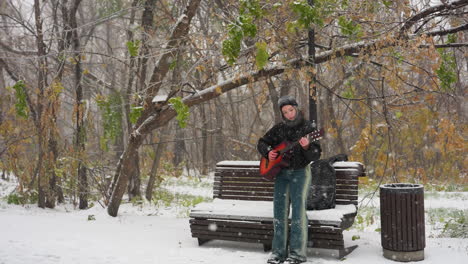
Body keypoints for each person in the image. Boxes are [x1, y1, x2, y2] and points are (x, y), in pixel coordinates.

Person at [257, 95, 321, 264]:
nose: (289, 114)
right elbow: (262, 142)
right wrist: (268, 152)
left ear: (296, 108)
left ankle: (297, 254)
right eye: (285, 112)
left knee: (298, 213)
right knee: (279, 212)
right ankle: (278, 253)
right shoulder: (279, 129)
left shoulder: (308, 127)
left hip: (300, 173)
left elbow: (315, 154)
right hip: (281, 174)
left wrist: (307, 146)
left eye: (291, 110)